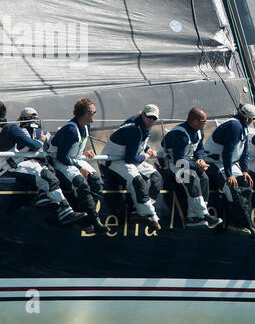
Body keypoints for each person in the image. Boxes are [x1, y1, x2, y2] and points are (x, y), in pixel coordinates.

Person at [0, 107, 86, 226]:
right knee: (50, 176)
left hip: (28, 165)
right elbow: (49, 148)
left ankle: (45, 198)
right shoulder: (45, 134)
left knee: (49, 175)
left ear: (22, 120)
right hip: (32, 165)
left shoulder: (19, 131)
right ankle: (62, 208)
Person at [101, 103, 163, 232]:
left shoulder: (145, 126)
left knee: (156, 177)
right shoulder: (134, 128)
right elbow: (130, 158)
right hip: (113, 160)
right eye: (149, 117)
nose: (151, 120)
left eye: (154, 118)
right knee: (136, 180)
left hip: (128, 159)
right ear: (142, 114)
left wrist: (146, 148)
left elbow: (136, 145)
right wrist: (145, 156)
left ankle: (137, 209)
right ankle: (150, 215)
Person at [203, 102, 255, 238]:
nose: (252, 122)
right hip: (214, 162)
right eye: (252, 119)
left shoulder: (243, 127)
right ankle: (242, 224)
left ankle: (240, 222)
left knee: (245, 185)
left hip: (227, 162)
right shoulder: (234, 126)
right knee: (232, 188)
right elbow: (227, 152)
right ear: (247, 118)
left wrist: (245, 170)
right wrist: (229, 175)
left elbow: (244, 151)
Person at [52, 97, 107, 233]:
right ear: (86, 113)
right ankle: (94, 220)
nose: (95, 114)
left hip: (73, 159)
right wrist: (79, 167)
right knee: (80, 183)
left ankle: (86, 216)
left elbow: (73, 148)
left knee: (97, 182)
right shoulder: (70, 129)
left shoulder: (85, 126)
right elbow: (61, 156)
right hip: (60, 162)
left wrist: (83, 151)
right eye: (94, 112)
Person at [161, 108, 221, 229]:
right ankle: (204, 214)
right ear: (194, 122)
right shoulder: (181, 135)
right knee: (192, 177)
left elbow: (199, 148)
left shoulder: (199, 131)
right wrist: (197, 166)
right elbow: (179, 160)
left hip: (187, 161)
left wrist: (200, 159)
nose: (206, 123)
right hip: (174, 163)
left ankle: (194, 216)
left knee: (204, 177)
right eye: (204, 120)